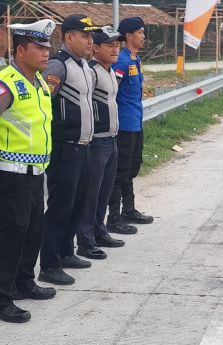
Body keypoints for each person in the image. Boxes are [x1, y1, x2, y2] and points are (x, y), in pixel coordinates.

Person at [0, 20, 61, 323]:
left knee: (31, 232)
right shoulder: (4, 83)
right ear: (21, 50)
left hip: (35, 173)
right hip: (9, 174)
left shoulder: (38, 83)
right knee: (8, 236)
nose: (45, 53)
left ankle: (24, 282)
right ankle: (0, 298)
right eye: (39, 48)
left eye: (48, 48)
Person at [38, 14, 100, 286]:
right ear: (68, 37)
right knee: (60, 207)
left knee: (77, 204)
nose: (90, 41)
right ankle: (49, 264)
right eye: (85, 36)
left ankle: (66, 252)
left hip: (84, 146)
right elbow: (43, 103)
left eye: (91, 36)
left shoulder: (85, 67)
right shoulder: (58, 65)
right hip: (65, 148)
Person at [76, 25, 127, 259]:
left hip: (111, 139)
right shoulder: (92, 72)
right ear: (95, 48)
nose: (115, 48)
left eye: (117, 45)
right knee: (91, 193)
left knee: (104, 191)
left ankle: (99, 229)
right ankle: (85, 240)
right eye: (109, 45)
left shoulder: (110, 70)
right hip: (96, 141)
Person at [107, 16, 153, 235]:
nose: (143, 36)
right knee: (120, 171)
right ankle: (114, 217)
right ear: (128, 35)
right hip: (124, 124)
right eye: (140, 32)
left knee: (132, 168)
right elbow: (111, 92)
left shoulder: (135, 59)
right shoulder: (122, 61)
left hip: (135, 122)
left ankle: (130, 209)